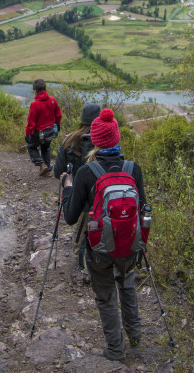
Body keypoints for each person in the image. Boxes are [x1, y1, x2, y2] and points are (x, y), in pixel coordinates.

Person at [60, 108, 145, 361]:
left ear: (94, 140)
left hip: (99, 249)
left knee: (106, 295)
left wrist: (68, 188)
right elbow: (141, 208)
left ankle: (115, 349)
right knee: (127, 285)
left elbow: (71, 218)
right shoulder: (133, 168)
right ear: (117, 139)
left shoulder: (87, 172)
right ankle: (136, 337)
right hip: (130, 244)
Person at [53, 103, 101, 273]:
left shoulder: (69, 141)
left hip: (74, 195)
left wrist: (68, 181)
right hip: (99, 198)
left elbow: (58, 171)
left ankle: (84, 266)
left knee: (80, 232)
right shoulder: (102, 143)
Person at [24, 79, 61, 177]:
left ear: (35, 90)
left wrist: (28, 134)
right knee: (46, 149)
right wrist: (58, 126)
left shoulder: (35, 104)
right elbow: (58, 115)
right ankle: (47, 171)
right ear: (45, 88)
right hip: (49, 131)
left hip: (38, 133)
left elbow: (31, 122)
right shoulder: (52, 100)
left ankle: (42, 164)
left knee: (31, 147)